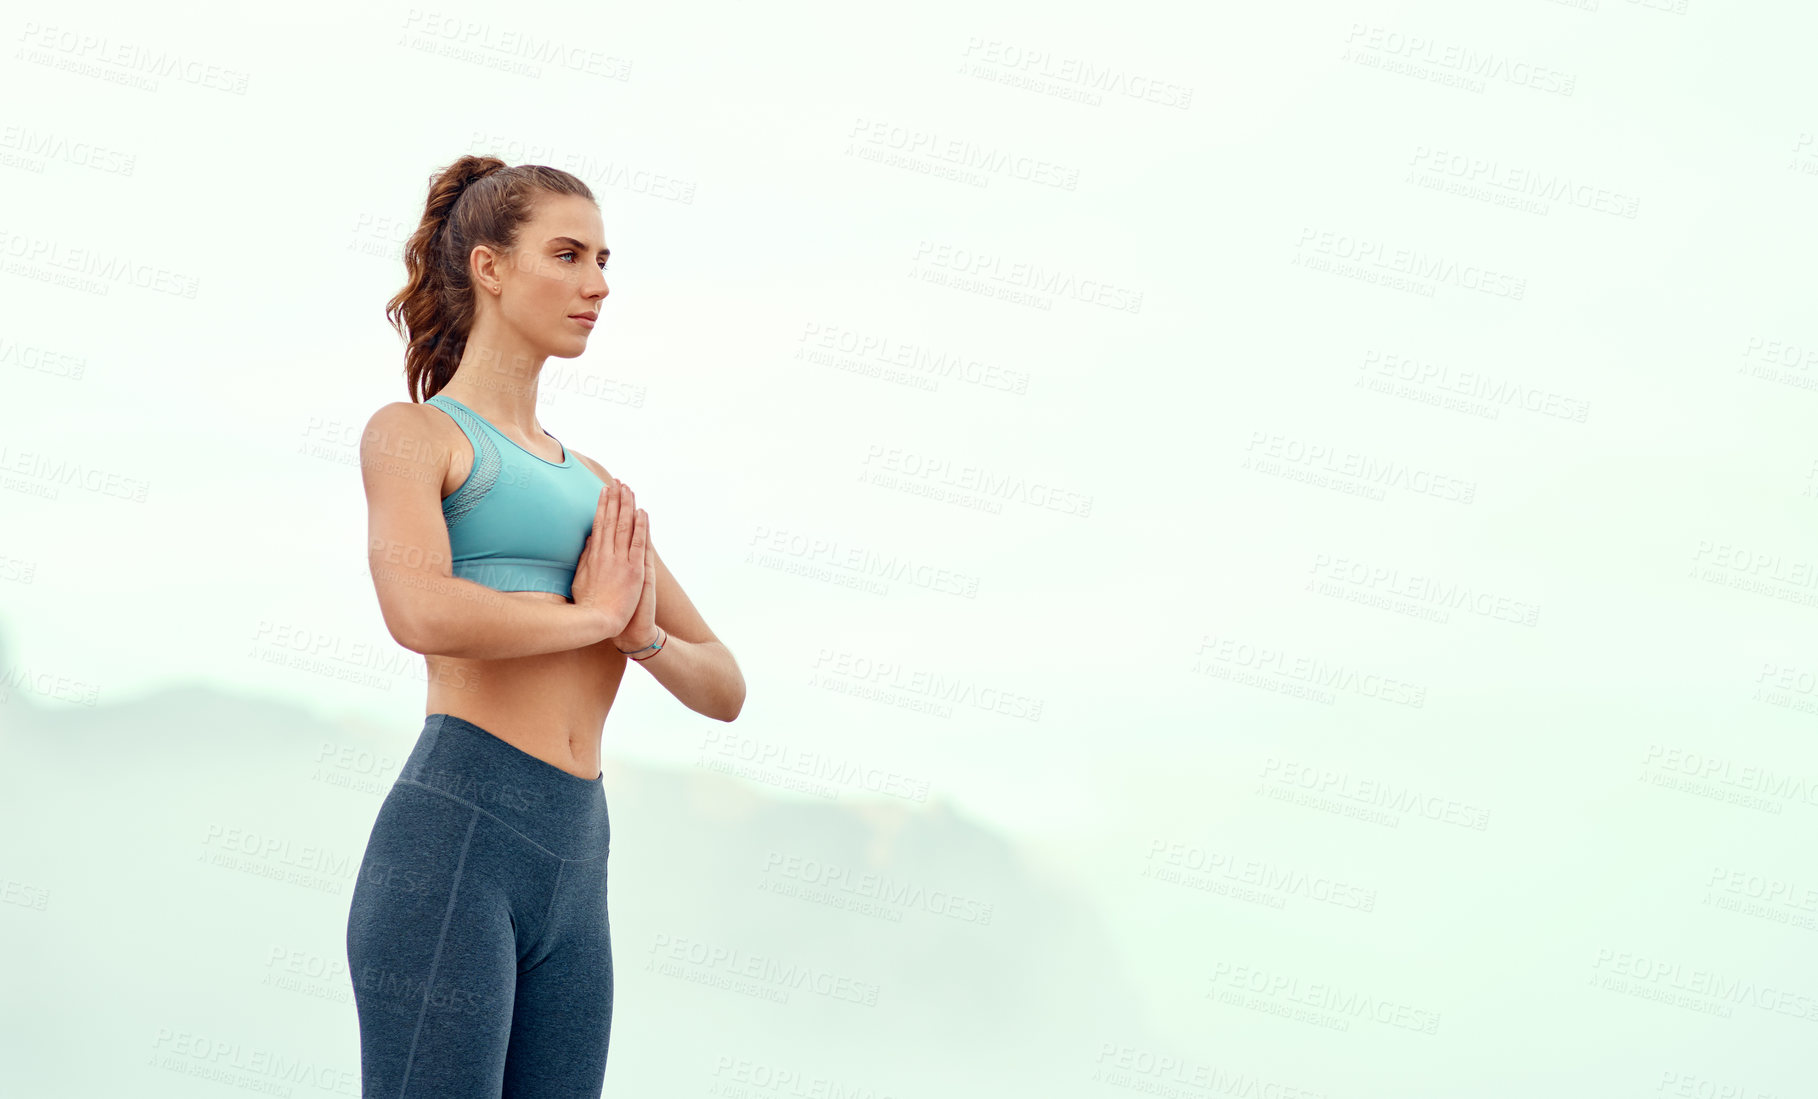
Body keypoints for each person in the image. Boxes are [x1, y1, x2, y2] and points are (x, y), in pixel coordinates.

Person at [345, 154, 745, 1098]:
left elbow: (723, 684)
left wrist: (639, 636)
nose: (596, 284)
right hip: (454, 846)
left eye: (603, 259)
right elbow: (418, 609)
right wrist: (592, 614)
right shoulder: (417, 437)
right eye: (566, 255)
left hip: (578, 865)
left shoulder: (597, 487)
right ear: (490, 267)